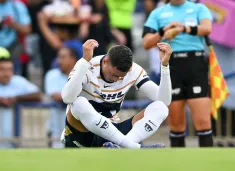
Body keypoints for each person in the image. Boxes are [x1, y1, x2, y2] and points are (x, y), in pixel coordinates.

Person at [60, 39, 172, 148]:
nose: (117, 80)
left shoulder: (133, 70)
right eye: (114, 75)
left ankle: (123, 147)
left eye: (121, 77)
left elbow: (164, 101)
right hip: (83, 132)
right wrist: (84, 62)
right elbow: (67, 98)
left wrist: (165, 66)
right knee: (78, 103)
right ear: (105, 61)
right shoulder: (86, 65)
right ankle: (132, 147)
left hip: (112, 133)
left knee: (161, 108)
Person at [143, 0, 213, 147]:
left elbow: (207, 28)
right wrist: (163, 32)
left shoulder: (198, 8)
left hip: (195, 64)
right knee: (176, 123)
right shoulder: (158, 13)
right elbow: (147, 43)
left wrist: (183, 28)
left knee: (203, 121)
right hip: (172, 66)